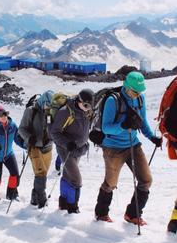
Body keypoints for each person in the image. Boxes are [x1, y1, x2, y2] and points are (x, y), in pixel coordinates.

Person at [94, 71, 162, 225]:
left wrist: (151, 137)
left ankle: (133, 215)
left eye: (140, 92)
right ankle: (101, 213)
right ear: (126, 87)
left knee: (146, 180)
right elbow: (106, 128)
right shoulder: (113, 100)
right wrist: (123, 126)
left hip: (133, 145)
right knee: (110, 183)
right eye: (134, 91)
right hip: (113, 148)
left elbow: (142, 121)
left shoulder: (139, 99)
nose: (137, 94)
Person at [50, 89, 94, 213]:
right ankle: (72, 208)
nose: (87, 108)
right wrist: (66, 143)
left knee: (67, 175)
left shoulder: (87, 111)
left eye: (90, 106)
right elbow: (54, 132)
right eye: (85, 105)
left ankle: (63, 204)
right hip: (66, 149)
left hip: (79, 149)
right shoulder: (65, 112)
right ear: (79, 101)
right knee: (76, 179)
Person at [18, 91, 54, 208]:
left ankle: (34, 199)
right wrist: (29, 138)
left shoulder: (51, 112)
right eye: (47, 105)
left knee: (43, 174)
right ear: (43, 102)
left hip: (48, 147)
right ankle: (42, 200)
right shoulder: (31, 111)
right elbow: (21, 129)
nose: (48, 108)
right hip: (34, 147)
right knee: (41, 173)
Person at [0, 106, 21, 201]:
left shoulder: (12, 125)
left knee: (15, 174)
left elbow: (17, 139)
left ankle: (12, 194)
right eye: (1, 115)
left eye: (5, 114)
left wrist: (26, 146)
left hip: (8, 154)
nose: (3, 117)